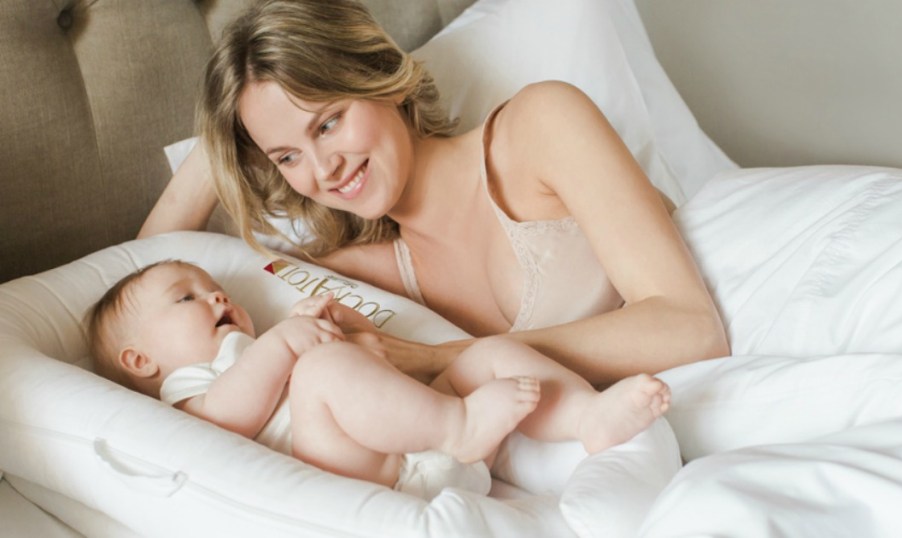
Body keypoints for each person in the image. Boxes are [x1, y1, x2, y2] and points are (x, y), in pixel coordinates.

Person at [139, 0, 729, 387]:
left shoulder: (539, 127)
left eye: (328, 123)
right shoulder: (368, 271)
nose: (323, 169)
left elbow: (691, 329)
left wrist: (443, 359)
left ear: (380, 79)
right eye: (287, 157)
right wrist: (222, 147)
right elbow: (141, 276)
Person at [87, 259, 672, 499]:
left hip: (417, 436)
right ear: (141, 360)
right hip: (359, 470)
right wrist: (287, 345)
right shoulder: (184, 391)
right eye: (185, 297)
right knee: (319, 370)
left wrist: (351, 332)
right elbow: (225, 420)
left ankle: (586, 417)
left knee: (491, 354)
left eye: (215, 287)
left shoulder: (259, 341)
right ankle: (463, 425)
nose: (216, 294)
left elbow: (372, 373)